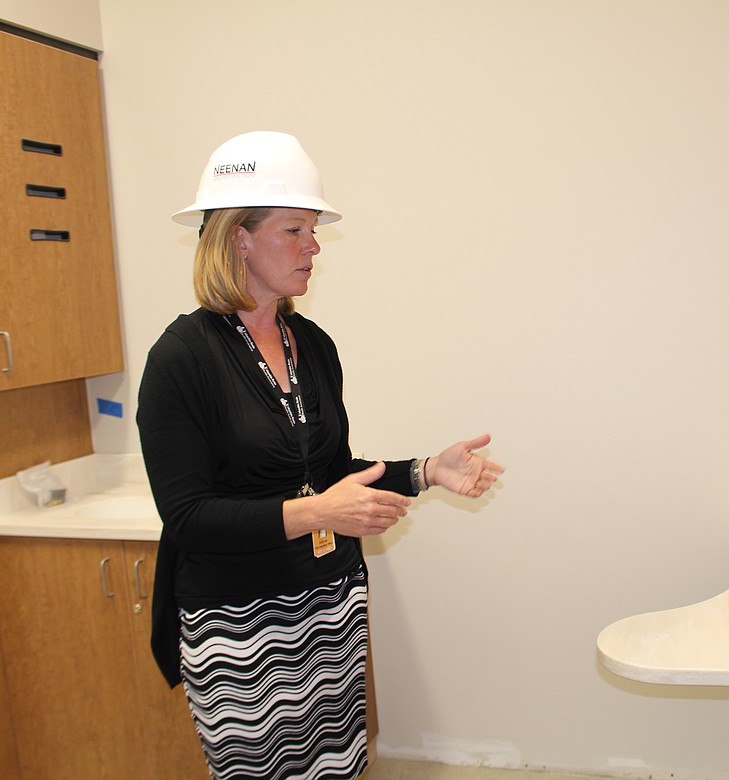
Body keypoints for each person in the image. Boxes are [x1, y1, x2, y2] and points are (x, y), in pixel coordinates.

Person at [136, 130, 502, 780]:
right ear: (237, 238)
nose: (313, 246)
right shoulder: (180, 361)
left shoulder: (312, 344)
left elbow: (328, 474)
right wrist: (316, 514)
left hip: (327, 608)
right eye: (294, 230)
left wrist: (426, 472)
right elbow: (188, 518)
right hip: (240, 627)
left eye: (314, 230)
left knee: (338, 766)